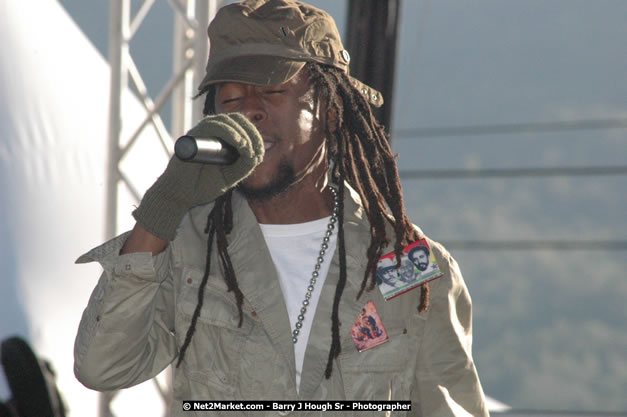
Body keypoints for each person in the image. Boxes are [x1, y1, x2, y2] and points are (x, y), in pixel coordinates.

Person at [74, 0, 488, 415]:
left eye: (272, 91)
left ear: (329, 110)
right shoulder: (186, 247)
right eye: (231, 98)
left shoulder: (407, 262)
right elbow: (103, 368)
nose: (249, 111)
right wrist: (163, 209)